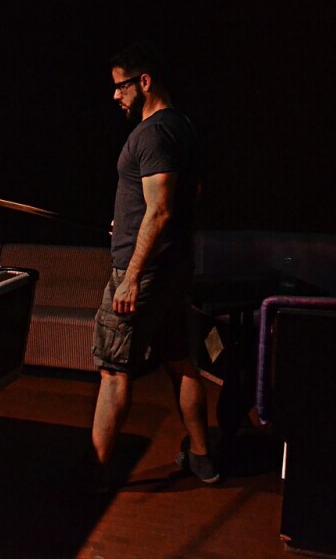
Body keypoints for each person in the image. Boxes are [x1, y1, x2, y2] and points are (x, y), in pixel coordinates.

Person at [85, 42, 217, 491]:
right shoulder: (184, 128)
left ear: (144, 82)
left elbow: (159, 211)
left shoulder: (152, 134)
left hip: (143, 273)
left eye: (121, 86)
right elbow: (186, 200)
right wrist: (126, 220)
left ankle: (96, 477)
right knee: (180, 361)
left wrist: (133, 277)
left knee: (113, 370)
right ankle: (202, 457)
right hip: (175, 269)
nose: (116, 96)